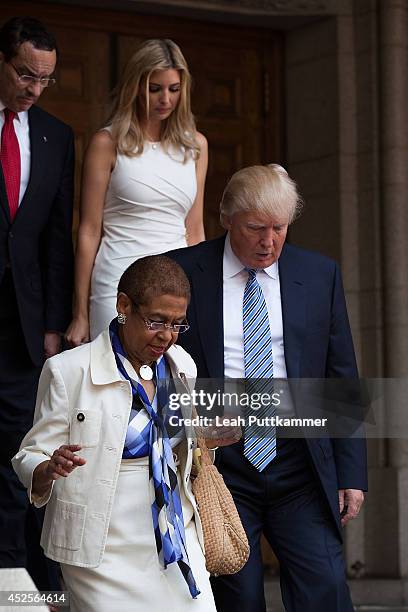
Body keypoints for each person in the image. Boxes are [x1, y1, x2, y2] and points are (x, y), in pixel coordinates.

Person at [167, 164, 368, 612]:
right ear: (226, 219)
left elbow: (341, 376)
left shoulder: (319, 275)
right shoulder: (183, 273)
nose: (269, 241)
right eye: (256, 228)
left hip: (299, 463)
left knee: (326, 587)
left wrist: (351, 472)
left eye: (279, 228)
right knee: (236, 596)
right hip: (221, 465)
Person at [12, 255, 238, 612]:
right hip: (98, 547)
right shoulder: (68, 370)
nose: (167, 336)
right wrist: (48, 468)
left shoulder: (183, 365)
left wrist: (209, 435)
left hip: (173, 535)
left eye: (178, 324)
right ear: (123, 306)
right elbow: (30, 455)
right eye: (156, 321)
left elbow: (180, 444)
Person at [66, 38, 208, 345]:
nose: (165, 99)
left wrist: (204, 296)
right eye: (155, 88)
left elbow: (194, 229)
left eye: (174, 89)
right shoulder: (107, 143)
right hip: (118, 284)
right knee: (113, 382)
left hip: (177, 286)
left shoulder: (196, 146)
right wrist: (80, 313)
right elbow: (89, 231)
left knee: (173, 385)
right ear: (136, 85)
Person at [0, 16, 74, 584]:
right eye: (26, 74)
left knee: (15, 459)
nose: (34, 88)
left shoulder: (55, 134)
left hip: (22, 328)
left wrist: (53, 324)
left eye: (44, 79)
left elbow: (55, 237)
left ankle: (13, 585)